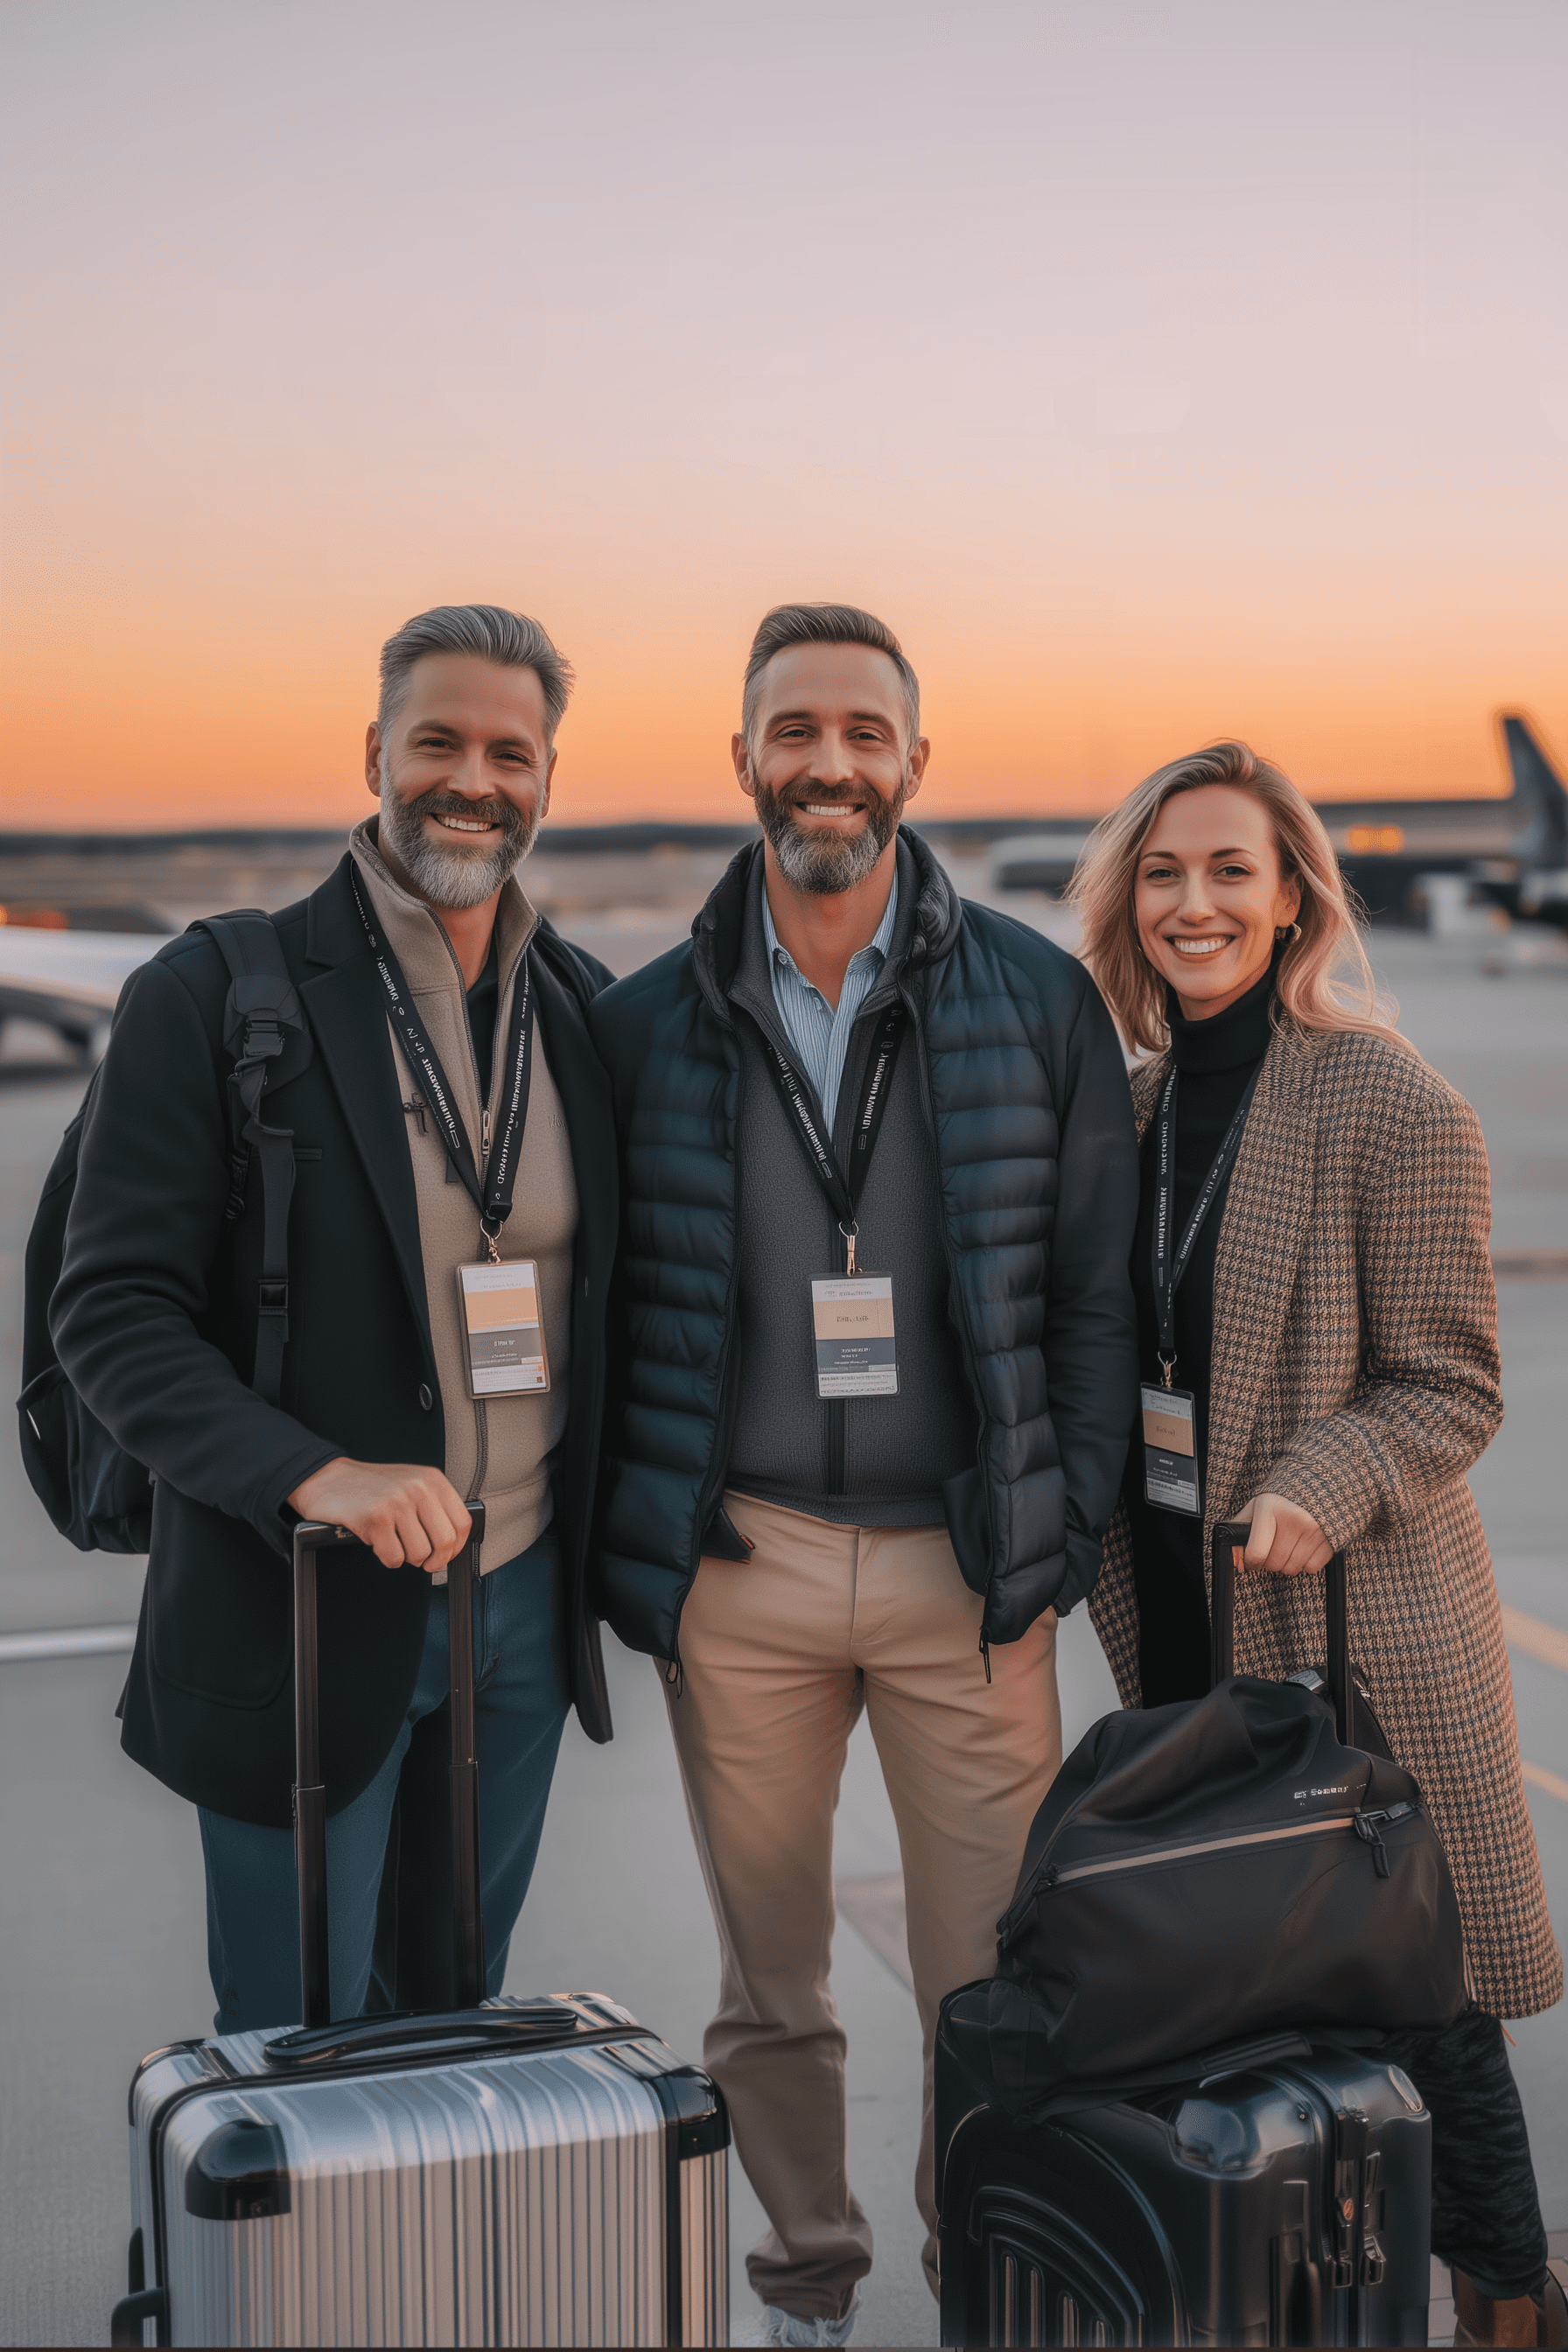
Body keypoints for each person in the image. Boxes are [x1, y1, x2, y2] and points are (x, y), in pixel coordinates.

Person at [587, 602, 1138, 2343]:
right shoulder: (643, 1021)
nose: (828, 761)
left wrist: (1056, 1536)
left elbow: (1092, 1300)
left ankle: (982, 2279)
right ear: (741, 755)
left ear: (913, 759)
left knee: (991, 1987)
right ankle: (807, 2289)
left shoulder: (1036, 1000)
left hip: (962, 1581)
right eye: (793, 728)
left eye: (861, 730)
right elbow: (608, 1306)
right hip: (741, 1575)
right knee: (769, 1981)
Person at [51, 603, 619, 2032]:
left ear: (548, 777)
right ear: (374, 753)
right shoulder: (216, 993)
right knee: (296, 2045)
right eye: (438, 742)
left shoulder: (581, 1010)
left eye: (511, 753)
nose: (472, 782)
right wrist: (314, 1473)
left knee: (455, 2024)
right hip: (299, 1598)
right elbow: (111, 1313)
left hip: (521, 1606)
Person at [1069, 739, 1564, 2349]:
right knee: (1246, 1993)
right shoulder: (1133, 1107)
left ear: (1293, 899)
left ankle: (1508, 2301)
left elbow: (1451, 1382)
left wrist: (1318, 1480)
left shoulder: (1385, 1097)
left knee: (1426, 2002)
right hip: (1187, 1619)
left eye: (1232, 870)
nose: (1194, 903)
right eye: (1163, 872)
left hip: (1359, 1628)